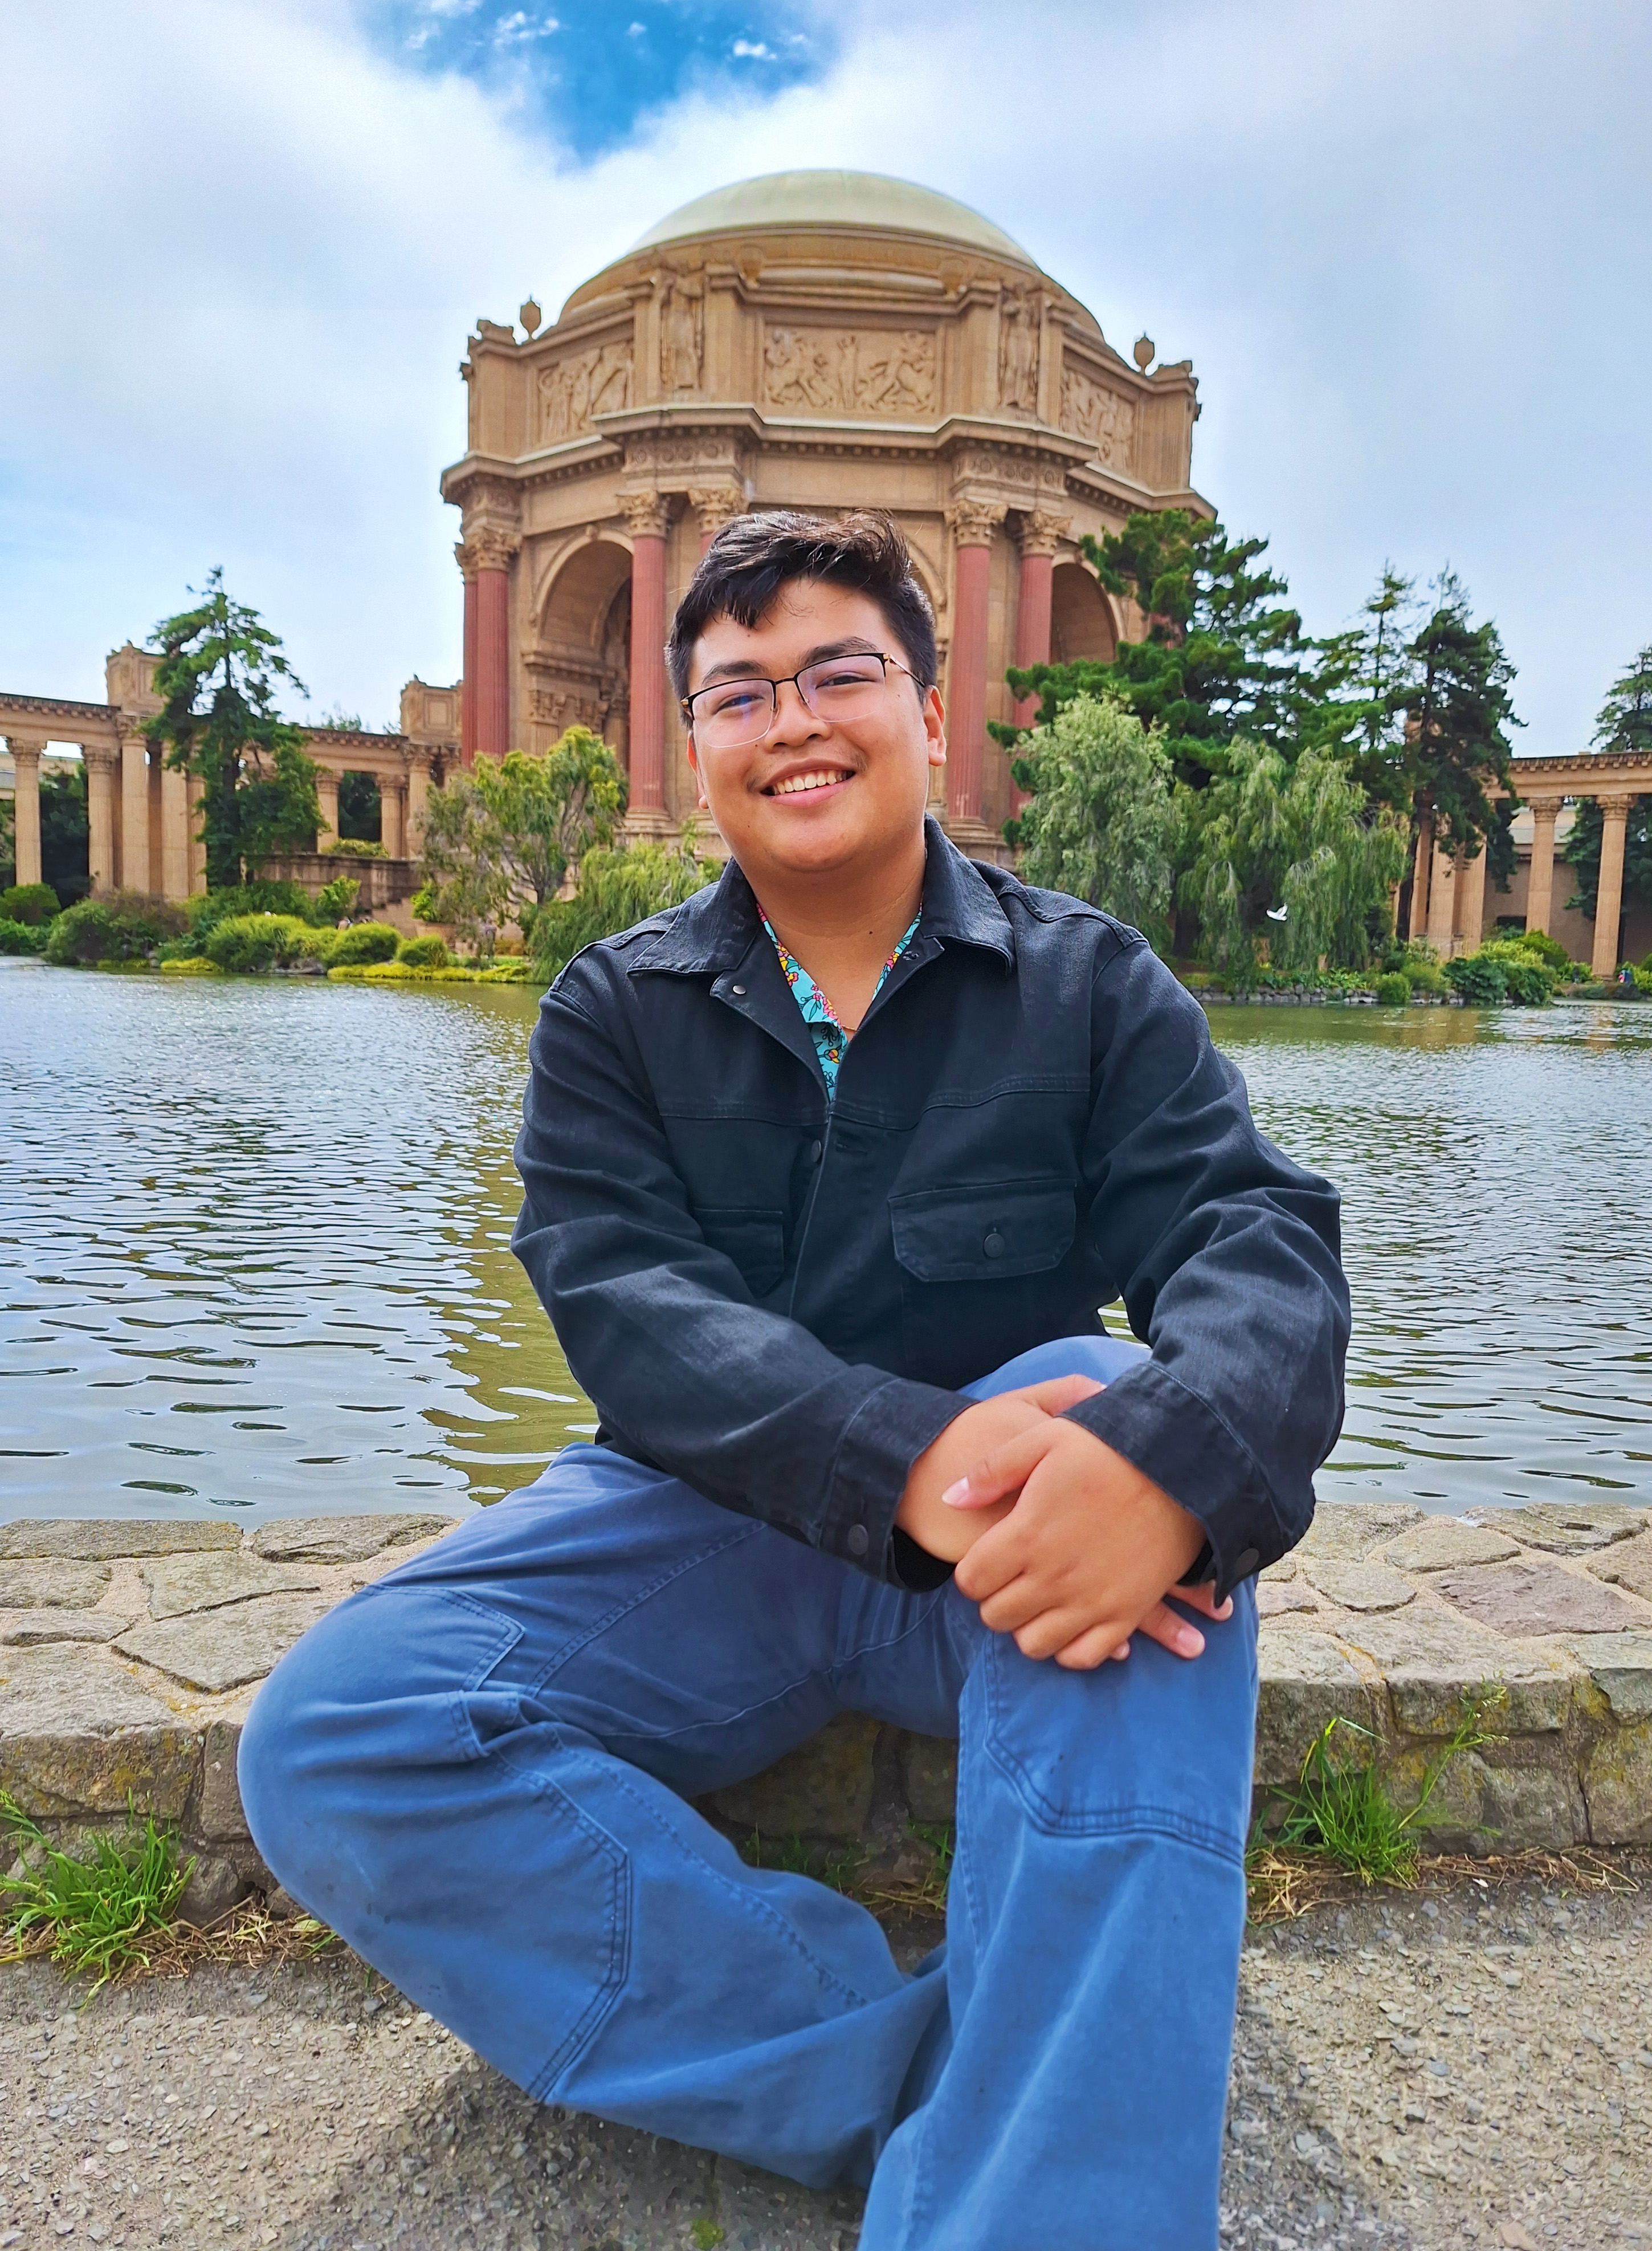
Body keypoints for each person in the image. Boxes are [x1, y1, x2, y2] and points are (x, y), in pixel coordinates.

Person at [240, 509, 1349, 2248]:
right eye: (740, 692)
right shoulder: (615, 1008)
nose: (795, 720)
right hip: (709, 1531)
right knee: (342, 1734)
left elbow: (1251, 1231)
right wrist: (889, 1449)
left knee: (1117, 1445)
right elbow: (619, 1296)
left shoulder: (1085, 983)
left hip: (1009, 1555)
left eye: (841, 672)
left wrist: (1175, 1459)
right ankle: (926, 2076)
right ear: (697, 750)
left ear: (929, 705)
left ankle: (1037, 2211)